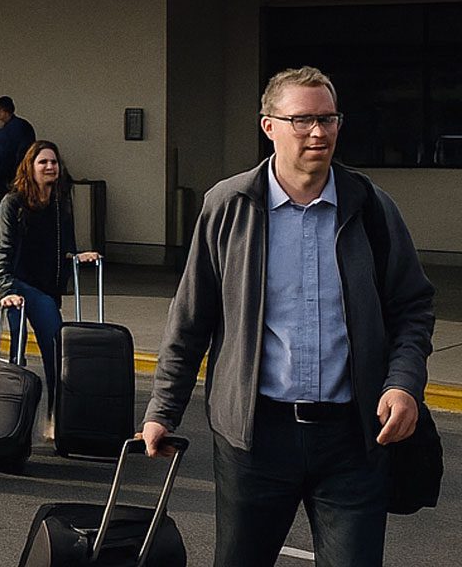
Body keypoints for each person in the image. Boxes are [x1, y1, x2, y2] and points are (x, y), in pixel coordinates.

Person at [141, 67, 435, 567]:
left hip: (353, 438)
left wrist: (403, 383)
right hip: (256, 439)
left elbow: (412, 308)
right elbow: (190, 321)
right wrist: (162, 411)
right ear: (269, 125)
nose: (318, 133)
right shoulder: (228, 208)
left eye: (328, 119)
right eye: (301, 120)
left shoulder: (372, 209)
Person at [0, 139, 99, 429]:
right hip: (19, 286)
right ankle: (12, 421)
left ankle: (55, 417)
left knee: (55, 355)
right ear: (31, 167)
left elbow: (65, 245)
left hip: (48, 290)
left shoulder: (60, 203)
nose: (50, 167)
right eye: (43, 162)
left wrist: (77, 257)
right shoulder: (12, 203)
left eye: (53, 162)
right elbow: (3, 253)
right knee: (18, 351)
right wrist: (5, 288)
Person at [0, 96, 35, 255]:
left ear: (2, 111)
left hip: (3, 181)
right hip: (19, 179)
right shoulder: (24, 127)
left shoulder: (4, 132)